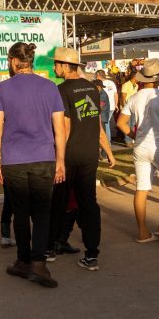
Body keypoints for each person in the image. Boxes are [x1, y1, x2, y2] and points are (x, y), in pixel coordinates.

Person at [0, 42, 67, 287]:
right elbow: (59, 130)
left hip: (13, 161)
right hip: (45, 159)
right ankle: (38, 265)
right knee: (43, 213)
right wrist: (61, 161)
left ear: (13, 62)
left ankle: (23, 261)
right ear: (30, 61)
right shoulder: (50, 88)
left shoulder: (2, 89)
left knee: (20, 213)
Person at [50, 47, 115, 270]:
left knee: (58, 201)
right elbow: (97, 125)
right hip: (89, 156)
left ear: (66, 66)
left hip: (69, 156)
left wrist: (58, 159)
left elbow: (64, 128)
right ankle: (92, 254)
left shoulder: (61, 90)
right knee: (89, 203)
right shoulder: (92, 88)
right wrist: (108, 150)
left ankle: (50, 248)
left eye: (56, 64)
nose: (54, 67)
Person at [119, 59, 159, 245]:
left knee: (141, 189)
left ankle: (142, 232)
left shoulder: (134, 97)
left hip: (140, 147)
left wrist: (134, 135)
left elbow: (120, 123)